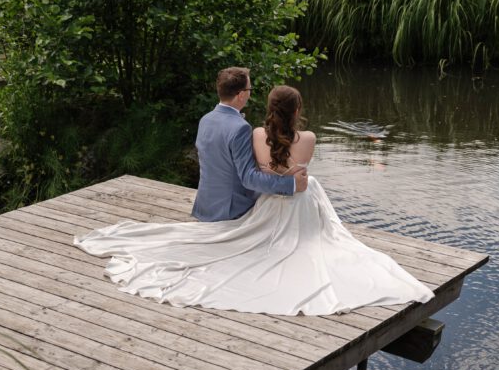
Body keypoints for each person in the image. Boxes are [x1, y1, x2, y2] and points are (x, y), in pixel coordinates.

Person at [73, 84, 434, 316]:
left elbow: (258, 173)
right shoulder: (306, 137)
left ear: (269, 107)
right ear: (296, 110)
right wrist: (292, 181)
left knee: (259, 240)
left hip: (265, 202)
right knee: (326, 242)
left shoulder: (257, 133)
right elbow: (297, 172)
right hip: (299, 199)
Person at [191, 67, 308, 222]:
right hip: (230, 210)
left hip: (205, 206)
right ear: (241, 95)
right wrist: (292, 184)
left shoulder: (206, 119)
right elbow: (249, 179)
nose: (250, 92)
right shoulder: (241, 128)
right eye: (249, 89)